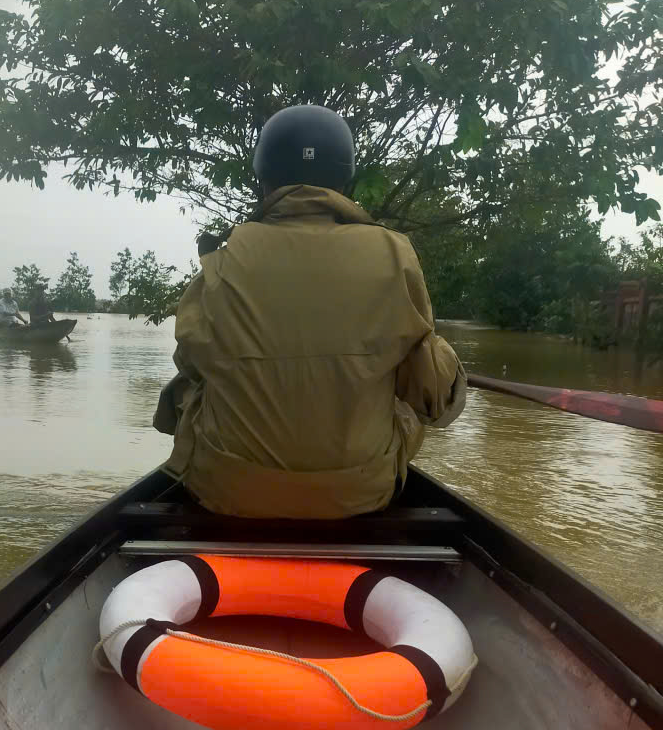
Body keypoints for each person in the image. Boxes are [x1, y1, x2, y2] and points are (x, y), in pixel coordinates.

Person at [153, 104, 466, 519]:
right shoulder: (395, 254)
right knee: (406, 392)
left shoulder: (223, 260)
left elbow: (190, 362)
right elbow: (435, 404)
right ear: (343, 180)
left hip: (228, 492)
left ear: (265, 179)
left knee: (190, 388)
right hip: (361, 495)